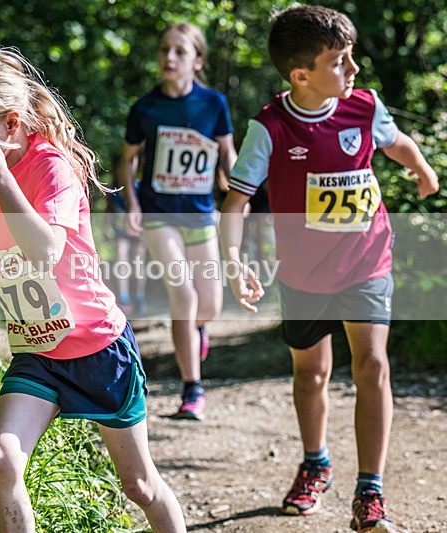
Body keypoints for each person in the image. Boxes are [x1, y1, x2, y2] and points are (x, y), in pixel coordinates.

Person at [0, 46, 187, 533]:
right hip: (40, 347)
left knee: (139, 486)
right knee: (0, 457)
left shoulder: (52, 168)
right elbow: (14, 252)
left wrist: (1, 178)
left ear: (10, 123)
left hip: (98, 347)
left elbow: (46, 250)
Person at [219, 6, 439, 533]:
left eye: (351, 56)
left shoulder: (364, 107)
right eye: (340, 61)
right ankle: (316, 463)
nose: (353, 68)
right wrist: (233, 261)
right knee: (311, 373)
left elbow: (397, 143)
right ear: (301, 74)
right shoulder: (270, 127)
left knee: (373, 365)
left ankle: (371, 491)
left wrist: (422, 169)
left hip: (367, 260)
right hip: (303, 275)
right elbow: (237, 202)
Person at [119, 22, 237, 420]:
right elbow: (128, 160)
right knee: (183, 295)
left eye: (180, 51)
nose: (169, 57)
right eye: (164, 49)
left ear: (197, 60)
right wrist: (132, 203)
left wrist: (238, 191)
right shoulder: (145, 107)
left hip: (200, 213)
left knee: (210, 306)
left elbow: (227, 153)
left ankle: (196, 330)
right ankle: (192, 389)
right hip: (158, 214)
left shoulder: (214, 103)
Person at [106, 166, 148, 315]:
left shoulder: (139, 186)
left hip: (138, 230)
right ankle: (124, 298)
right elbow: (109, 209)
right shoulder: (113, 188)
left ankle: (139, 297)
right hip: (121, 230)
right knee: (121, 257)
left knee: (139, 263)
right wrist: (106, 228)